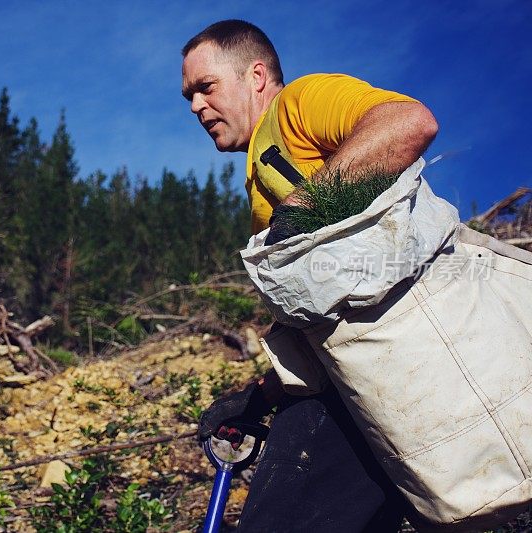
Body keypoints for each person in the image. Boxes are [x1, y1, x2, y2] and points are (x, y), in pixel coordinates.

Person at [181, 20, 438, 532]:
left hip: (378, 374)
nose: (195, 107)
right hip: (372, 383)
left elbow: (409, 121)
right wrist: (259, 397)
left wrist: (306, 201)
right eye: (188, 96)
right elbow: (321, 322)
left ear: (256, 75)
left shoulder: (299, 102)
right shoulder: (261, 174)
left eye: (205, 88)